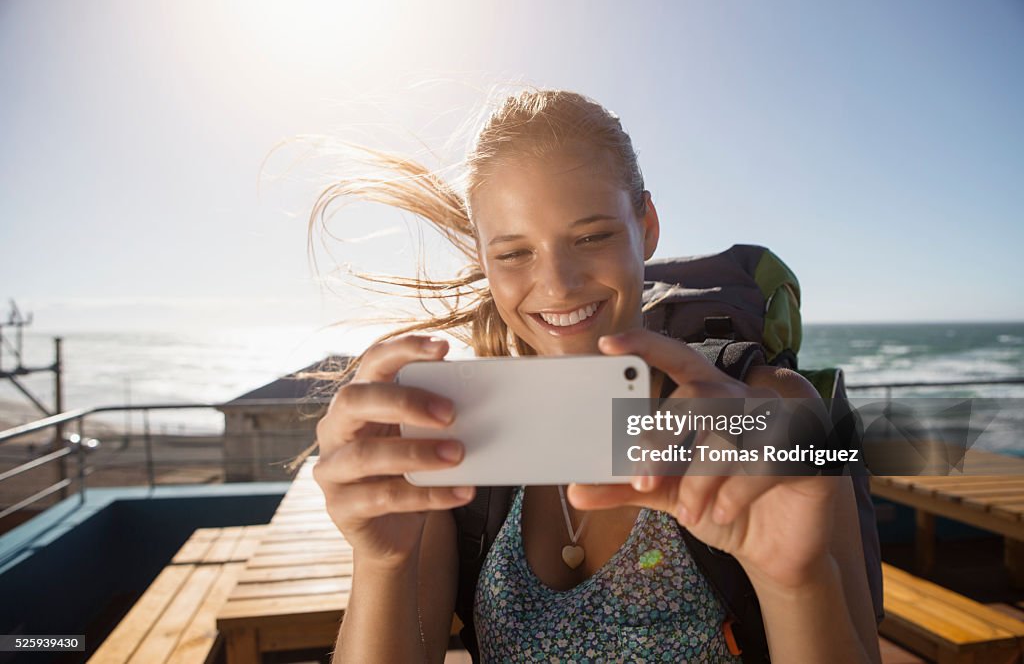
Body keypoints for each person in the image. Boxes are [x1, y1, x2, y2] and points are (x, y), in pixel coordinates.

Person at [303, 88, 881, 663]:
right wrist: (382, 565)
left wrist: (797, 586)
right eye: (513, 253)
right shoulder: (458, 446)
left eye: (591, 237)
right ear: (484, 260)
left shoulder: (769, 408)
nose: (557, 284)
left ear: (646, 225)